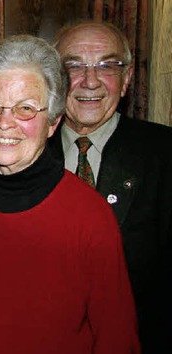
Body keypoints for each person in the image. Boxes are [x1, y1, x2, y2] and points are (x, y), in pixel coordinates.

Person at [0, 35, 140, 354]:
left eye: (25, 109)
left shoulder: (89, 216)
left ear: (53, 122)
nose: (4, 123)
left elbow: (117, 338)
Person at [49, 21, 172, 354]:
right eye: (73, 66)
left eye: (108, 66)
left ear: (127, 78)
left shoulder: (164, 155)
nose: (90, 81)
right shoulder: (21, 155)